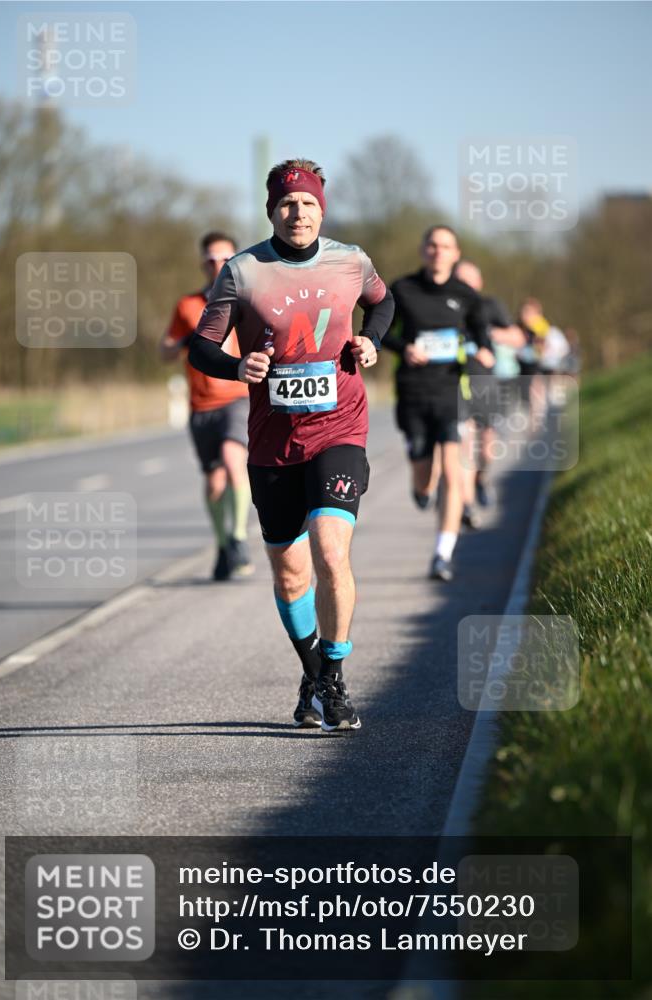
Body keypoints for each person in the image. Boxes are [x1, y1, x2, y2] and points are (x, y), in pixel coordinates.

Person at [188, 159, 394, 731]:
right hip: (273, 443)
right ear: (271, 211)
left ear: (321, 210)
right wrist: (237, 366)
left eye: (307, 203)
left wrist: (371, 340)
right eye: (286, 203)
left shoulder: (351, 261)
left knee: (331, 551)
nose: (297, 212)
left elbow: (383, 303)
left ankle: (335, 677)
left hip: (340, 428)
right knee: (289, 575)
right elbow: (201, 346)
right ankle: (314, 675)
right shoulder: (242, 271)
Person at [384, 226, 494, 581]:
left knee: (452, 470)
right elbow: (381, 332)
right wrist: (405, 349)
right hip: (413, 391)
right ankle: (421, 485)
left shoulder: (466, 295)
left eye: (445, 246)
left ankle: (442, 554)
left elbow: (481, 332)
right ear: (423, 250)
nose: (438, 251)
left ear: (455, 253)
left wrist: (485, 350)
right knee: (423, 472)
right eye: (432, 245)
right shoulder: (403, 289)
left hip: (450, 390)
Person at [160, 232, 254, 581]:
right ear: (202, 263)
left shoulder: (247, 299)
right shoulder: (187, 305)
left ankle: (240, 537)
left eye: (225, 259)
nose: (217, 266)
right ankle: (223, 545)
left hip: (237, 397)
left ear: (235, 261)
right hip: (201, 406)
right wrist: (184, 341)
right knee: (214, 483)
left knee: (233, 459)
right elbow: (164, 351)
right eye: (211, 260)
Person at [454, 260, 524, 513]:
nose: (464, 284)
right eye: (459, 279)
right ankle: (466, 503)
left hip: (485, 380)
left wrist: (490, 334)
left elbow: (518, 338)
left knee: (486, 445)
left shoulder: (490, 306)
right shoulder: (447, 307)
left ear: (479, 282)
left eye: (469, 280)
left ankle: (481, 479)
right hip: (457, 380)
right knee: (464, 440)